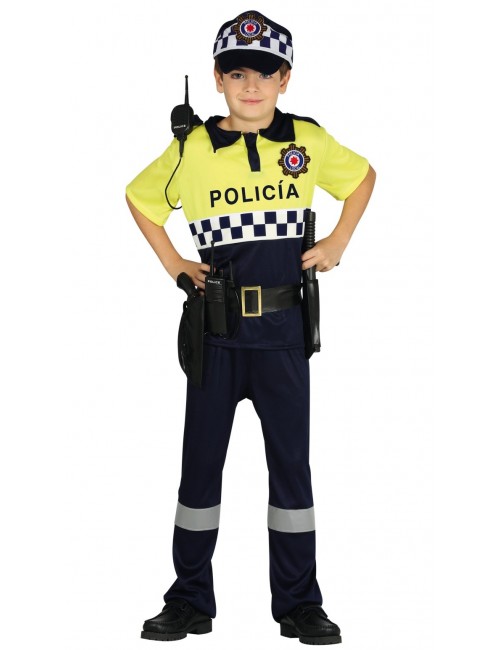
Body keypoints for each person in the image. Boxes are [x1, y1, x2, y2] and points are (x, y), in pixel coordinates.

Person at [125, 9, 375, 645]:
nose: (252, 86)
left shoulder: (307, 142)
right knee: (199, 472)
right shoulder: (191, 149)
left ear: (285, 79)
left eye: (265, 73)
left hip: (284, 336)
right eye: (237, 73)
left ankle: (300, 605)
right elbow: (140, 199)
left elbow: (363, 177)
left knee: (292, 472)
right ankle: (189, 600)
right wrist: (175, 264)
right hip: (215, 336)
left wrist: (339, 241)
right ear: (218, 80)